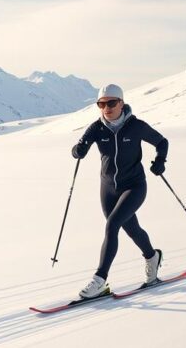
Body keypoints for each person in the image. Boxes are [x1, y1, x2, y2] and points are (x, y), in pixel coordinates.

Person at [70, 83, 169, 300]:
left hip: (134, 186)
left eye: (111, 103)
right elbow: (78, 148)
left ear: (121, 103)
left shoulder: (136, 126)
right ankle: (152, 257)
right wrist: (78, 150)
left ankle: (99, 279)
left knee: (112, 224)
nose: (106, 107)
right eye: (101, 104)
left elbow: (162, 141)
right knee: (131, 228)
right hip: (108, 189)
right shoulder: (96, 128)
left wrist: (160, 161)